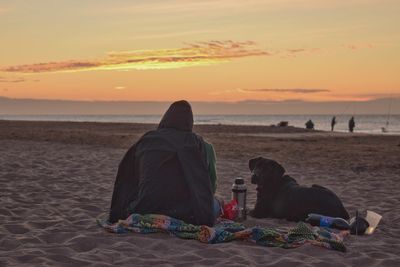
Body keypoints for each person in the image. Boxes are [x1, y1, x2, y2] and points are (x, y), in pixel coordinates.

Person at [108, 100, 219, 227]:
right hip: (187, 215)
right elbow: (210, 187)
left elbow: (129, 179)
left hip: (144, 208)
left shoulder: (147, 140)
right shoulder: (199, 145)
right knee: (217, 202)